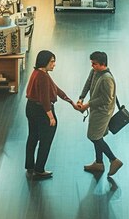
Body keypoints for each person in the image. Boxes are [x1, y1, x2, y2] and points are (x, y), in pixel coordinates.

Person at [25, 50, 78, 180]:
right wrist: (51, 116)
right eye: (52, 61)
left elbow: (56, 89)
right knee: (45, 141)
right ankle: (39, 170)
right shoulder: (43, 76)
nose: (54, 64)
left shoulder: (38, 73)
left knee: (32, 137)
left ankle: (30, 166)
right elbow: (44, 99)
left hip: (30, 108)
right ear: (45, 62)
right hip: (42, 111)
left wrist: (70, 101)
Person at [77, 51, 123, 176]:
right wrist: (81, 98)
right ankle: (99, 163)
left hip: (102, 112)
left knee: (93, 136)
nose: (92, 66)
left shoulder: (107, 79)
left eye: (94, 64)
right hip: (96, 109)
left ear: (103, 64)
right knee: (98, 136)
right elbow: (88, 83)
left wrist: (87, 104)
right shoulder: (95, 71)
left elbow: (106, 99)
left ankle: (114, 160)